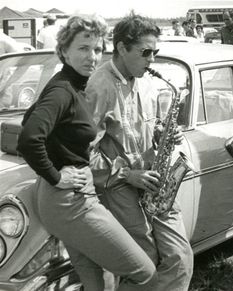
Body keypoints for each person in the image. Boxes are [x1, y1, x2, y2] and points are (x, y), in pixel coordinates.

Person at [17, 14, 159, 291]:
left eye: (96, 49)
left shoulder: (71, 84)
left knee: (97, 280)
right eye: (83, 48)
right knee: (144, 272)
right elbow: (29, 138)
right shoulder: (62, 91)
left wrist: (60, 160)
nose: (91, 57)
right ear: (63, 51)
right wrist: (57, 175)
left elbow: (30, 120)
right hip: (68, 199)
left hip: (69, 194)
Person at [85, 13, 194, 291]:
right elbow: (83, 152)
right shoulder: (99, 86)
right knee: (144, 263)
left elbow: (150, 125)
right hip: (121, 186)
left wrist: (163, 133)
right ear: (122, 48)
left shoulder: (147, 80)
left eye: (155, 52)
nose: (152, 60)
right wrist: (127, 173)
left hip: (154, 181)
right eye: (146, 52)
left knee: (180, 257)